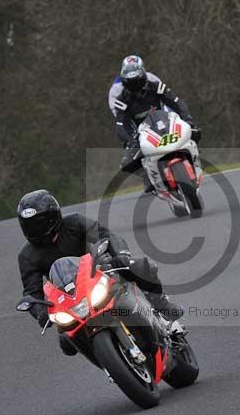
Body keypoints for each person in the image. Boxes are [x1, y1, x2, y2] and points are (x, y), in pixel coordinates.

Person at [16, 189, 186, 355]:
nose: (34, 228)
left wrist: (120, 255)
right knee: (66, 343)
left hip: (98, 272)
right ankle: (108, 360)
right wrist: (39, 312)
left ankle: (162, 305)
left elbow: (105, 234)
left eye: (39, 222)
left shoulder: (74, 222)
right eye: (28, 225)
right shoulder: (26, 256)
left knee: (141, 267)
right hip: (68, 297)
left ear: (53, 216)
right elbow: (32, 291)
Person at [109, 55, 200, 191]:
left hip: (161, 117)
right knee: (127, 162)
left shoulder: (155, 84)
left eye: (138, 81)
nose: (136, 87)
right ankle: (147, 176)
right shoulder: (118, 96)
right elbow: (121, 123)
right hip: (138, 126)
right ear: (124, 82)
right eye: (131, 83)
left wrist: (187, 119)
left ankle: (191, 157)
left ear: (144, 75)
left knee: (195, 131)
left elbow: (175, 101)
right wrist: (131, 141)